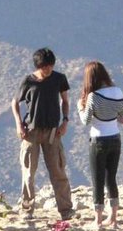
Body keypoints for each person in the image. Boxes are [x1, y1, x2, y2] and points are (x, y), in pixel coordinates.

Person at [10, 48, 75, 220]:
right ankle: (27, 209)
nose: (48, 70)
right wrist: (18, 125)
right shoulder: (29, 81)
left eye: (50, 66)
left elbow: (65, 101)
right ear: (38, 66)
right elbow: (15, 102)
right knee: (29, 172)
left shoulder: (59, 79)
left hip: (53, 131)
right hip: (31, 131)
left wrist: (66, 120)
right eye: (45, 67)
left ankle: (66, 210)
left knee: (58, 171)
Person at [77, 61, 123, 229]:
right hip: (115, 138)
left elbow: (86, 121)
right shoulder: (118, 91)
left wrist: (79, 107)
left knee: (97, 179)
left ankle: (98, 220)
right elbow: (121, 113)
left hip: (98, 139)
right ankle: (114, 219)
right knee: (111, 178)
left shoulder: (93, 97)